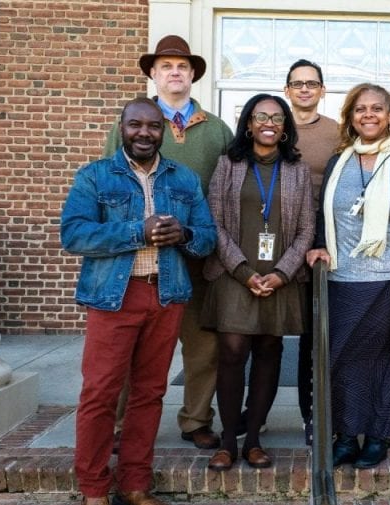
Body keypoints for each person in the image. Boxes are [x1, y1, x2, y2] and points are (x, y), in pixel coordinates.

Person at [61, 98, 217, 505]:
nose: (144, 133)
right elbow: (74, 234)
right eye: (135, 125)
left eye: (152, 126)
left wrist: (183, 234)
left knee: (150, 394)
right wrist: (137, 231)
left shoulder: (183, 179)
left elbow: (207, 237)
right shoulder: (95, 176)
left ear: (163, 130)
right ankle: (94, 490)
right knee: (100, 394)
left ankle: (135, 485)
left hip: (166, 295)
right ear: (122, 127)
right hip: (114, 298)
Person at [103, 35, 233, 452]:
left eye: (182, 66)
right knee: (133, 348)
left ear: (193, 74)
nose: (174, 72)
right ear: (153, 74)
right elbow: (111, 184)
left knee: (203, 345)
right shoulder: (129, 124)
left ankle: (196, 419)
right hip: (141, 257)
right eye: (166, 66)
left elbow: (227, 192)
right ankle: (122, 424)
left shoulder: (217, 129)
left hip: (196, 254)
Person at [306, 83, 390, 469]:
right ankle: (346, 436)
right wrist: (317, 244)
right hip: (341, 278)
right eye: (360, 109)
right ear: (349, 117)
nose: (369, 115)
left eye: (377, 109)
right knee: (344, 360)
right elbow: (323, 214)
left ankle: (379, 436)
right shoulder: (339, 162)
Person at [202, 94, 315, 470]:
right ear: (248, 123)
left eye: (277, 117)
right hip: (236, 275)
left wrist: (282, 273)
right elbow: (213, 223)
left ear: (285, 128)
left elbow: (306, 229)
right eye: (260, 116)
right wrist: (245, 272)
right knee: (233, 353)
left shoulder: (297, 171)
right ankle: (228, 440)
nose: (269, 122)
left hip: (280, 278)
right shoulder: (228, 165)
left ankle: (253, 440)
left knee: (269, 353)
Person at [283, 59, 341, 445]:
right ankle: (248, 416)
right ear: (287, 89)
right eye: (297, 83)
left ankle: (314, 417)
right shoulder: (273, 127)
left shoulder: (338, 133)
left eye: (312, 83)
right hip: (277, 244)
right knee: (268, 337)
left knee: (316, 336)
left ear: (322, 90)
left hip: (324, 244)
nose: (305, 89)